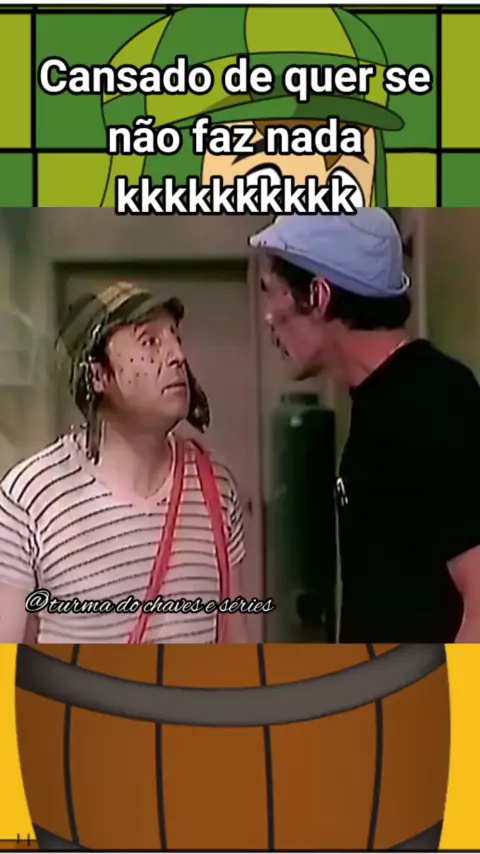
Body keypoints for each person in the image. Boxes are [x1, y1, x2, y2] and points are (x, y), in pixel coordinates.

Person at [249, 210, 480, 643]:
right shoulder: (376, 403)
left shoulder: (435, 399)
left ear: (317, 295)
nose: (267, 317)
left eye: (272, 292)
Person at [0, 282, 247, 644]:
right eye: (150, 342)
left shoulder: (215, 486)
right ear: (97, 375)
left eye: (175, 338)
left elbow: (235, 639)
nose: (177, 355)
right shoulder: (30, 498)